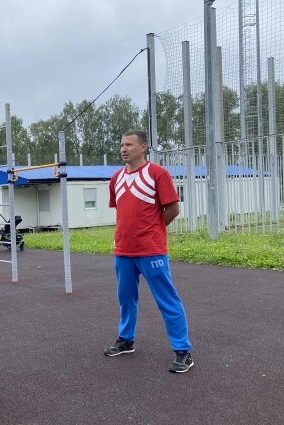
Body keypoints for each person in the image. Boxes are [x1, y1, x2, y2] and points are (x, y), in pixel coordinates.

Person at [104, 130, 194, 373]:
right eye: (121, 144)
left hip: (151, 252)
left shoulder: (157, 174)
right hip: (123, 251)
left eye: (129, 145)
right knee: (125, 299)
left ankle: (183, 351)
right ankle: (126, 340)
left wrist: (153, 230)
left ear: (143, 147)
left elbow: (173, 209)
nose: (123, 149)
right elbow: (122, 211)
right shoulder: (116, 178)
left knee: (167, 300)